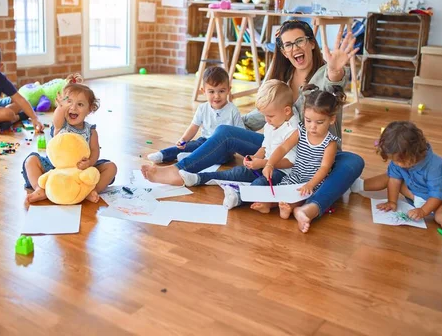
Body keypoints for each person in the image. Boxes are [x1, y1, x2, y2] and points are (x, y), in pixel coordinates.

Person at [141, 20, 364, 220]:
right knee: (225, 131)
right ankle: (179, 172)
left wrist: (335, 71)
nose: (294, 48)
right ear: (284, 52)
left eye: (299, 41)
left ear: (311, 44)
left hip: (316, 154)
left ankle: (311, 207)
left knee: (354, 162)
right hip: (281, 147)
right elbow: (260, 117)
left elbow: (333, 84)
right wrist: (226, 128)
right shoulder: (283, 79)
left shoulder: (325, 73)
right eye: (288, 44)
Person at [350, 121, 442, 245]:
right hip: (414, 192)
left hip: (441, 200)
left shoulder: (436, 166)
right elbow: (394, 180)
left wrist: (423, 211)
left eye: (400, 160)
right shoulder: (399, 160)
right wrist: (392, 201)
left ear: (415, 152)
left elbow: (438, 195)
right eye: (394, 160)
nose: (397, 164)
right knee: (389, 177)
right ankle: (356, 185)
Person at [179, 80, 299, 210]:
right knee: (236, 172)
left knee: (260, 183)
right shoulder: (272, 123)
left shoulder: (293, 130)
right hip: (264, 165)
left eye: (270, 116)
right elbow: (265, 147)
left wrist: (263, 163)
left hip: (282, 173)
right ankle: (199, 178)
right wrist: (254, 158)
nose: (266, 120)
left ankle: (238, 196)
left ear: (287, 111)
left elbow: (290, 162)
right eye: (264, 115)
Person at [22, 74, 117, 204]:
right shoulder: (61, 125)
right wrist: (60, 108)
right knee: (31, 160)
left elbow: (95, 151)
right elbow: (56, 119)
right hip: (55, 168)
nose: (73, 108)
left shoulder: (91, 131)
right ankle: (41, 189)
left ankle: (90, 190)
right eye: (69, 103)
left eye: (80, 104)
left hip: (81, 170)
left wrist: (89, 162)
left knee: (111, 167)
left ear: (90, 110)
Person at [264, 85, 345, 232]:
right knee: (279, 191)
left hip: (314, 181)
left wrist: (311, 184)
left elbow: (324, 168)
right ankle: (271, 205)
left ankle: (292, 209)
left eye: (319, 122)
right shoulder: (301, 131)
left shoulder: (330, 142)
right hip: (296, 176)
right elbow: (283, 147)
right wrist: (270, 164)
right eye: (308, 120)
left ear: (332, 119)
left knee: (302, 197)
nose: (312, 127)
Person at [147, 66, 244, 164]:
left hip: (224, 147)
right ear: (203, 91)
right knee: (186, 147)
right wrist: (183, 139)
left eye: (221, 91)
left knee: (223, 157)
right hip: (204, 141)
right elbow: (194, 127)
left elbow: (241, 133)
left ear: (228, 90)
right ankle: (162, 155)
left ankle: (192, 157)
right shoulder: (202, 108)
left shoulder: (233, 110)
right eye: (211, 91)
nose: (217, 96)